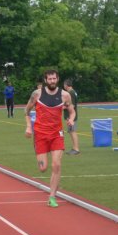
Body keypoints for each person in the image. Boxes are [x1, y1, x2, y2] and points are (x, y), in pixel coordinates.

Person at [25, 70, 76, 208]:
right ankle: (51, 178)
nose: (52, 81)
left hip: (56, 134)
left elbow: (72, 111)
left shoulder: (65, 95)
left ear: (57, 79)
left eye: (54, 78)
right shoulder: (37, 94)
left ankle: (52, 197)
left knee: (56, 165)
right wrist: (28, 127)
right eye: (50, 79)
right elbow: (27, 111)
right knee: (43, 168)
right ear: (45, 80)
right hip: (40, 134)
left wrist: (71, 120)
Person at [63, 79, 80, 155]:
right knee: (71, 131)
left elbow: (72, 105)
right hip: (70, 116)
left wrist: (62, 107)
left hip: (71, 116)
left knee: (72, 131)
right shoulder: (73, 92)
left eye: (64, 85)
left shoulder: (71, 93)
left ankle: (76, 149)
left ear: (66, 85)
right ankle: (74, 148)